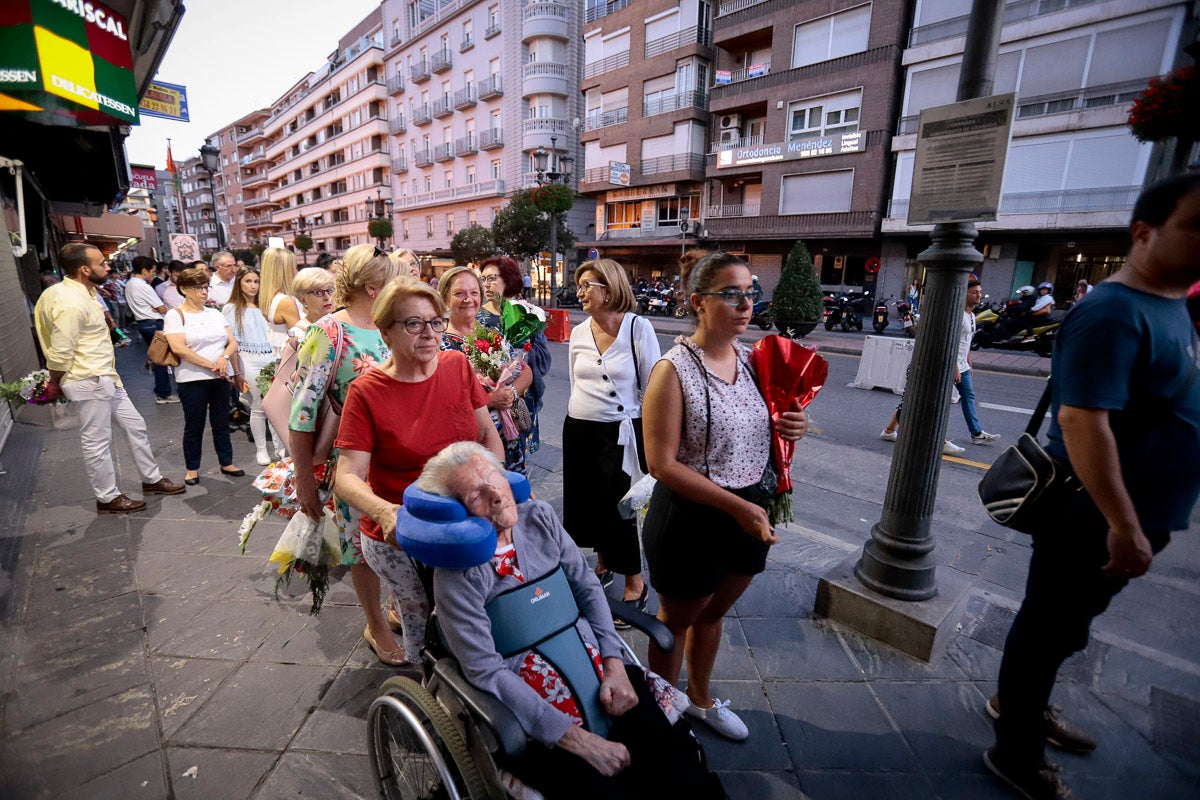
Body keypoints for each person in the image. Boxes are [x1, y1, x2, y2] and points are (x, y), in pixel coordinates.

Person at [984, 174, 1200, 800]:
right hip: (1094, 516)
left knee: (1067, 629)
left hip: (1132, 514)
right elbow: (1081, 420)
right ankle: (1015, 751)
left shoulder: (1173, 303)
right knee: (1047, 627)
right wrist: (1125, 525)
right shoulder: (1112, 310)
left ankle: (1020, 703)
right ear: (1143, 232)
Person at [424, 442, 725, 800]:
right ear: (455, 514)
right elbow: (485, 670)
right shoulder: (457, 575)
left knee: (678, 765)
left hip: (597, 670)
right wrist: (576, 739)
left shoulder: (538, 519)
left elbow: (588, 588)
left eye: (494, 479)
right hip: (531, 714)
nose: (495, 495)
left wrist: (614, 663)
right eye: (475, 493)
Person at [641, 252, 808, 741]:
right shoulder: (673, 370)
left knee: (713, 613)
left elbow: (774, 428)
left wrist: (796, 426)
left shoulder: (756, 362)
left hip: (748, 514)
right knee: (676, 618)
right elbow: (661, 463)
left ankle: (698, 699)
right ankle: (662, 712)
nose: (745, 304)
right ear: (698, 302)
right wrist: (739, 507)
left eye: (750, 293)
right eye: (731, 294)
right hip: (692, 518)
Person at [334, 277, 503, 667]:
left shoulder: (456, 365)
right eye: (413, 324)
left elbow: (487, 435)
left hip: (466, 516)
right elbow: (347, 476)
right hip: (403, 530)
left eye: (436, 322)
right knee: (424, 618)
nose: (429, 334)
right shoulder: (367, 392)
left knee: (479, 607)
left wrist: (493, 484)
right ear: (386, 331)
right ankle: (429, 684)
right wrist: (383, 511)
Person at [290, 245, 400, 664]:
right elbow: (304, 411)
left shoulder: (392, 323)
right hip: (356, 460)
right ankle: (374, 623)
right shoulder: (329, 333)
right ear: (373, 288)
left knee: (398, 540)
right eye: (394, 279)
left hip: (401, 457)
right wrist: (305, 479)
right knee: (361, 548)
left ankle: (393, 606)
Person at [33, 244, 185, 514]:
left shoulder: (82, 293)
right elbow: (60, 350)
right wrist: (55, 382)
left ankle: (151, 479)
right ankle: (107, 497)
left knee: (135, 425)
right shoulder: (70, 301)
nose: (108, 267)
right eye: (102, 263)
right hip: (87, 377)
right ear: (84, 269)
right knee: (97, 441)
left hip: (105, 375)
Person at [563, 258, 660, 623]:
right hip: (579, 430)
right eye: (581, 285)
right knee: (586, 505)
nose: (581, 292)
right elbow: (576, 382)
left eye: (588, 284)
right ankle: (603, 564)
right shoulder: (578, 331)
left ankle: (635, 583)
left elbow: (654, 387)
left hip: (620, 434)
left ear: (610, 288)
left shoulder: (638, 328)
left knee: (620, 510)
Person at [439, 265, 534, 473]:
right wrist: (490, 401)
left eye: (474, 293)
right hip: (472, 448)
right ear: (445, 297)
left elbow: (525, 371)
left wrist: (510, 393)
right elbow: (443, 401)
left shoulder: (490, 333)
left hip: (510, 440)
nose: (468, 299)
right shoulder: (439, 343)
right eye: (459, 293)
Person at [164, 267, 246, 485]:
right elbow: (179, 348)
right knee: (194, 424)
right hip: (192, 379)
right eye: (197, 287)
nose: (203, 292)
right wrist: (213, 365)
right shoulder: (175, 315)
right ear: (183, 289)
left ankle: (226, 461)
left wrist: (224, 359)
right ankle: (192, 467)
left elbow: (232, 341)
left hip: (220, 377)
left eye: (205, 286)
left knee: (221, 421)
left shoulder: (214, 313)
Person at [479, 256, 552, 465]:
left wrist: (516, 360)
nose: (486, 284)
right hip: (490, 403)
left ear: (507, 280)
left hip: (520, 398)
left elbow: (543, 359)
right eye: (483, 279)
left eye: (492, 278)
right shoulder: (476, 317)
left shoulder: (527, 313)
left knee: (517, 460)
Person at [222, 267, 279, 466]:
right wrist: (236, 372)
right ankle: (261, 449)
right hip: (248, 360)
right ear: (239, 282)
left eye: (256, 281)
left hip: (272, 358)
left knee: (275, 406)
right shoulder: (230, 309)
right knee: (258, 406)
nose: (253, 286)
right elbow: (232, 343)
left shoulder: (265, 307)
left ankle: (279, 448)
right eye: (248, 281)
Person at [126, 255, 179, 405]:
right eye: (152, 271)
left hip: (144, 323)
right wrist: (158, 308)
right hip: (153, 324)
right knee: (162, 359)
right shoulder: (142, 286)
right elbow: (162, 308)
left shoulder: (131, 284)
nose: (153, 275)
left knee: (158, 357)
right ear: (144, 270)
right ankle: (163, 393)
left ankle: (162, 390)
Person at [957, 280, 1001, 446]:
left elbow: (966, 340)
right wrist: (954, 367)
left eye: (980, 292)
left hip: (964, 366)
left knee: (969, 396)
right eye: (975, 292)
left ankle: (976, 433)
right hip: (953, 366)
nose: (978, 295)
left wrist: (969, 360)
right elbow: (952, 342)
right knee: (936, 400)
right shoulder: (959, 316)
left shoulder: (972, 316)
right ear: (966, 294)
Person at [260, 247, 301, 356]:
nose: (296, 271)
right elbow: (299, 338)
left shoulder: (269, 298)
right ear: (285, 270)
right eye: (294, 267)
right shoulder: (286, 302)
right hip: (292, 361)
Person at [291, 266, 336, 333]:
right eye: (318, 293)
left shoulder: (341, 325)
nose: (327, 297)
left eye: (330, 290)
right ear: (303, 299)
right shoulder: (298, 334)